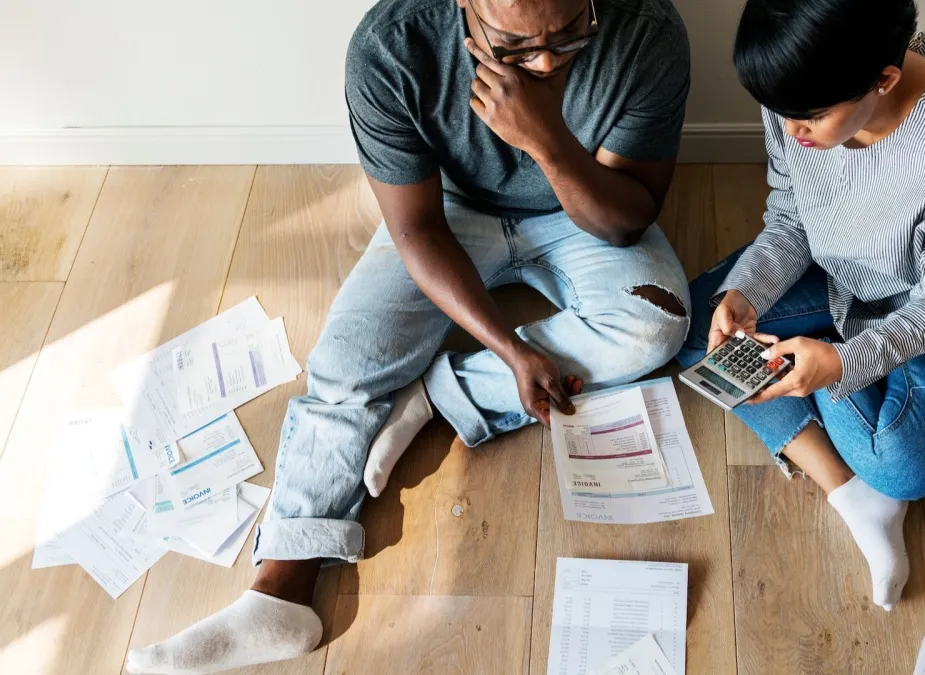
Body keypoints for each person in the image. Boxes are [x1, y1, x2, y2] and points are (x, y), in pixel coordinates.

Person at [125, 0, 691, 670]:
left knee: (657, 325)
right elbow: (416, 229)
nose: (544, 60)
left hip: (585, 209)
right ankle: (283, 584)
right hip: (451, 215)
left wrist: (546, 139)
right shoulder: (390, 49)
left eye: (570, 34)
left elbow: (626, 220)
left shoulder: (647, 29)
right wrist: (511, 348)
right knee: (344, 364)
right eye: (514, 45)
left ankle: (435, 395)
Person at [677, 0, 925, 611]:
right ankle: (853, 495)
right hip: (843, 278)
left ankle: (860, 449)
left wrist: (843, 362)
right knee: (690, 321)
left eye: (810, 119)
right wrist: (745, 292)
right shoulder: (798, 89)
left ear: (883, 79)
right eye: (781, 114)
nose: (791, 131)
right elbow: (792, 215)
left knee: (904, 465)